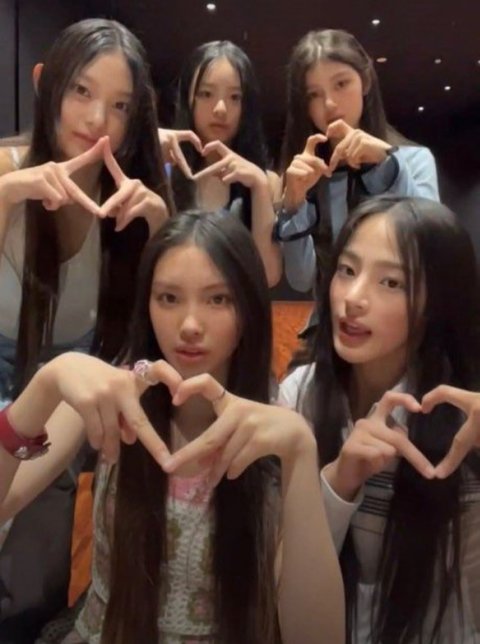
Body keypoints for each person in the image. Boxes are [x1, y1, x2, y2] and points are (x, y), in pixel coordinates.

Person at [0, 211, 344, 643]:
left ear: (250, 309)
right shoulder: (117, 397)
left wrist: (301, 453)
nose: (190, 325)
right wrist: (43, 388)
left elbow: (317, 636)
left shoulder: (276, 431)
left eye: (218, 299)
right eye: (168, 298)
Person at [0, 18, 174, 638]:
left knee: (31, 583)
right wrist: (6, 196)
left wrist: (160, 227)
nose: (98, 118)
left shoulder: (130, 200)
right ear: (44, 84)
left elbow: (141, 338)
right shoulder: (6, 170)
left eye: (120, 105)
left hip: (74, 388)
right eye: (81, 90)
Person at [279, 196, 480, 642]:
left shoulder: (466, 416)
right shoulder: (300, 396)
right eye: (347, 270)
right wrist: (339, 481)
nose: (353, 299)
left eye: (391, 282)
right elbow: (282, 575)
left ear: (439, 302)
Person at [276, 29, 439, 294]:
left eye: (341, 84)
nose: (329, 103)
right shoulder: (308, 174)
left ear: (365, 81)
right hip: (332, 317)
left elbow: (430, 252)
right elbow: (301, 279)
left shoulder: (413, 160)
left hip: (397, 315)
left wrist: (386, 167)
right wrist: (293, 207)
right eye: (313, 95)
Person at [168, 40, 282, 287]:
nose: (220, 109)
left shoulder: (266, 182)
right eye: (206, 94)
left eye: (234, 97)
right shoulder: (165, 174)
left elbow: (268, 276)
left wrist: (259, 186)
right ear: (188, 99)